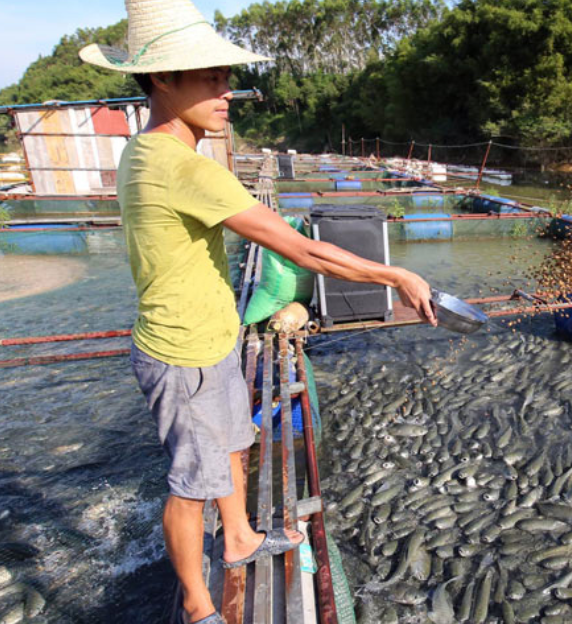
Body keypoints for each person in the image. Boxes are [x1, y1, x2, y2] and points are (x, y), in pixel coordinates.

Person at [79, 2, 436, 623]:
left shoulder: (144, 149)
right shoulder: (182, 166)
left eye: (226, 78)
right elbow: (302, 249)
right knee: (191, 485)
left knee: (234, 444)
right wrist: (394, 274)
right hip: (181, 351)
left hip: (213, 335)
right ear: (161, 79)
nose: (227, 93)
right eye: (210, 78)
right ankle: (198, 606)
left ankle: (240, 536)